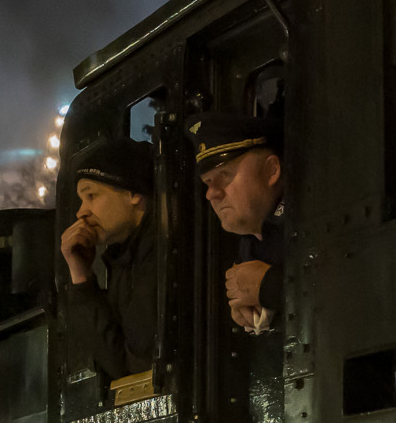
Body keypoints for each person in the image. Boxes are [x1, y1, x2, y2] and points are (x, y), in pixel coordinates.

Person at [50, 135, 164, 385]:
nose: (81, 212)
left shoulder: (157, 254)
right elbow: (121, 364)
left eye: (91, 196)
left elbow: (135, 367)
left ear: (133, 192)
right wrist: (81, 276)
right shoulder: (126, 257)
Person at [192, 111, 286, 334]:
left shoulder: (306, 221)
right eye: (207, 182)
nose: (211, 194)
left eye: (225, 174)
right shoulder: (249, 243)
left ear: (271, 170)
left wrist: (269, 286)